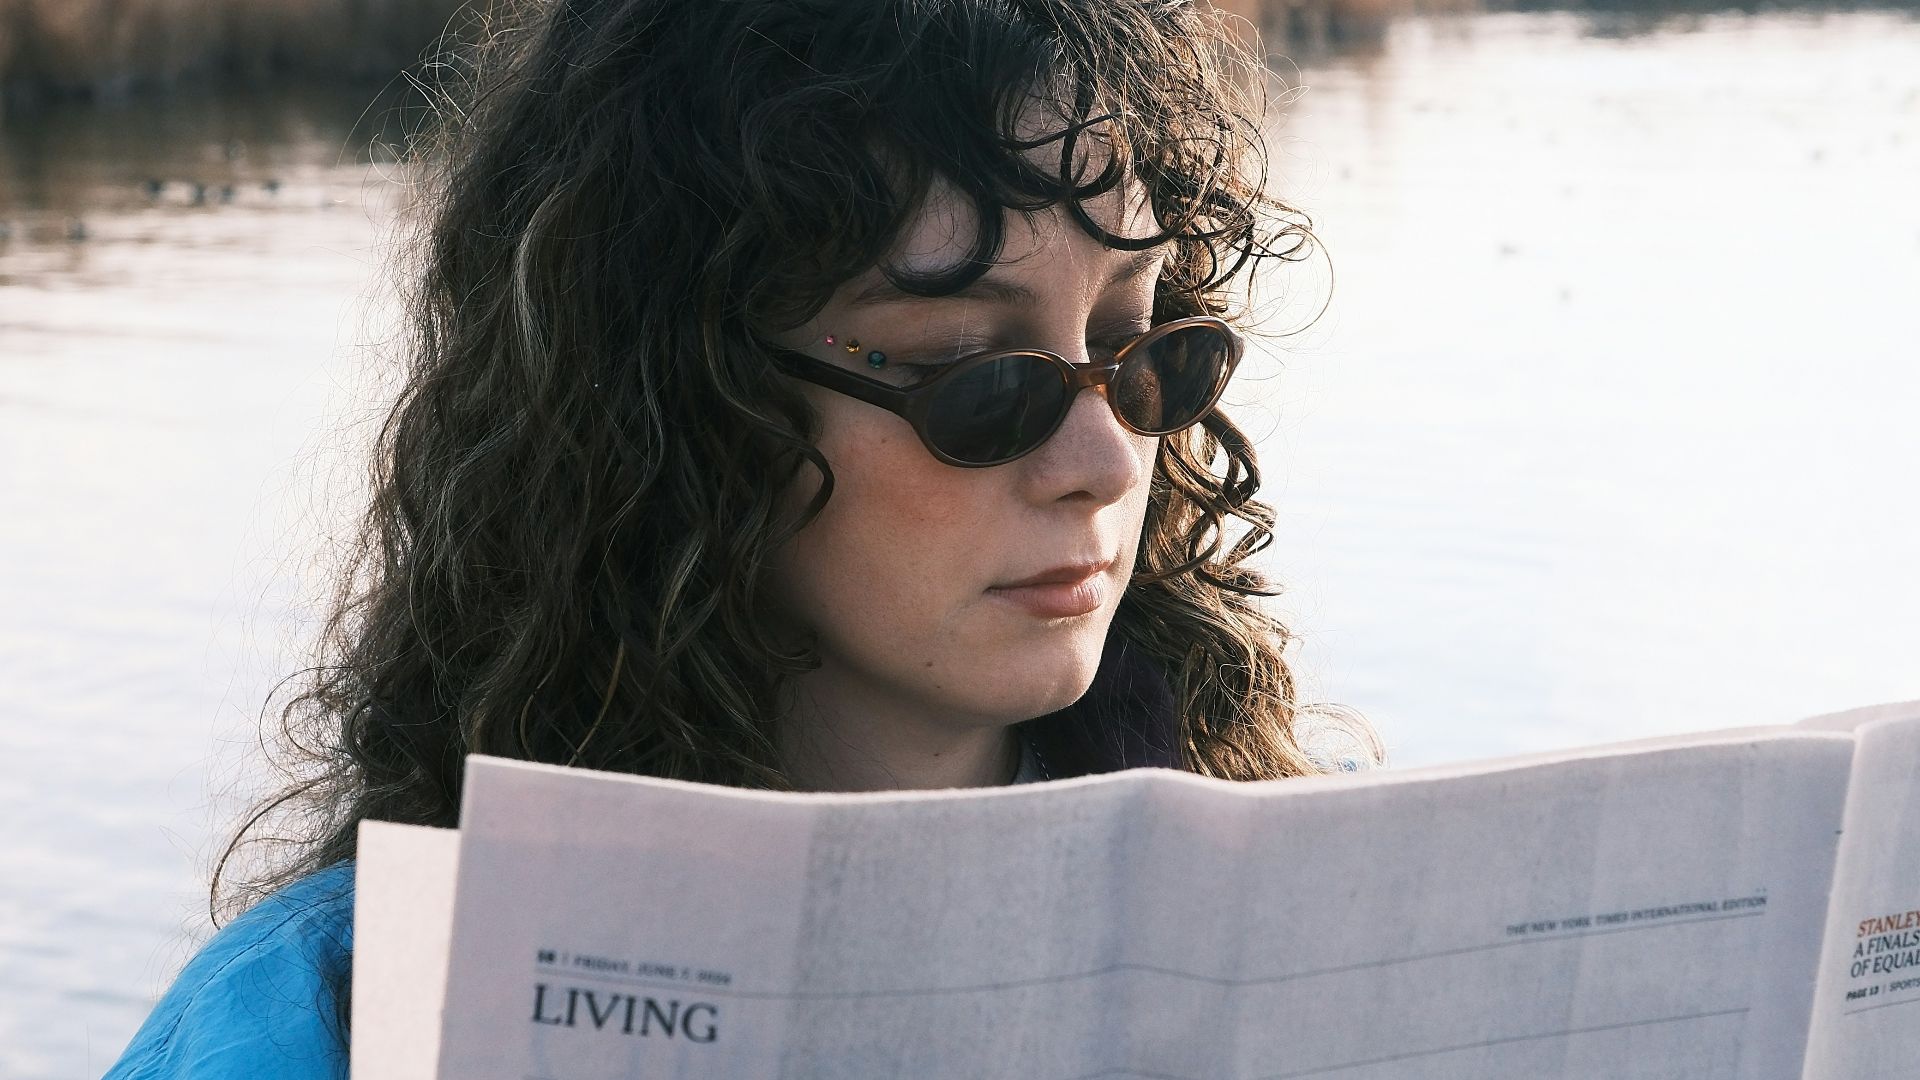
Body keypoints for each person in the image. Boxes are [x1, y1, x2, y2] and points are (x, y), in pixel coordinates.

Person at [104, 0, 1378, 1075]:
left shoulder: (1340, 916)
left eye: (1138, 349)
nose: (1104, 462)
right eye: (973, 378)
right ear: (684, 407)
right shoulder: (322, 1025)